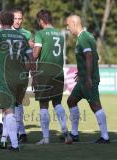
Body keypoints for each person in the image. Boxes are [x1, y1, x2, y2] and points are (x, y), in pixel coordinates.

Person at [0, 10, 35, 151]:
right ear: (12, 21)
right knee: (11, 110)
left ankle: (15, 145)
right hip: (21, 79)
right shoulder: (21, 36)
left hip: (6, 79)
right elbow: (31, 58)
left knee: (8, 112)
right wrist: (36, 77)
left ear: (1, 21)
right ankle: (3, 140)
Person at [65, 15, 110, 143]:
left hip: (88, 80)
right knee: (71, 101)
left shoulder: (83, 38)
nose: (67, 28)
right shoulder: (87, 36)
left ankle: (105, 137)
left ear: (74, 24)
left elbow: (89, 56)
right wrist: (81, 72)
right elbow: (90, 57)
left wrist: (89, 76)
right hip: (83, 79)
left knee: (95, 105)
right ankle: (74, 134)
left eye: (68, 25)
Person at [33, 10, 72, 145]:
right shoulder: (60, 35)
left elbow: (35, 55)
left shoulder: (40, 34)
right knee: (57, 103)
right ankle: (65, 131)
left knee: (43, 104)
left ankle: (46, 138)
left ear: (41, 21)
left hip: (44, 72)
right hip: (59, 72)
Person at [11, 8, 34, 143]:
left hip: (22, 72)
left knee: (17, 102)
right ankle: (18, 132)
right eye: (15, 18)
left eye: (20, 19)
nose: (18, 21)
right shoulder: (6, 33)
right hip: (8, 71)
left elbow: (30, 54)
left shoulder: (26, 33)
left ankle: (21, 132)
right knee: (10, 103)